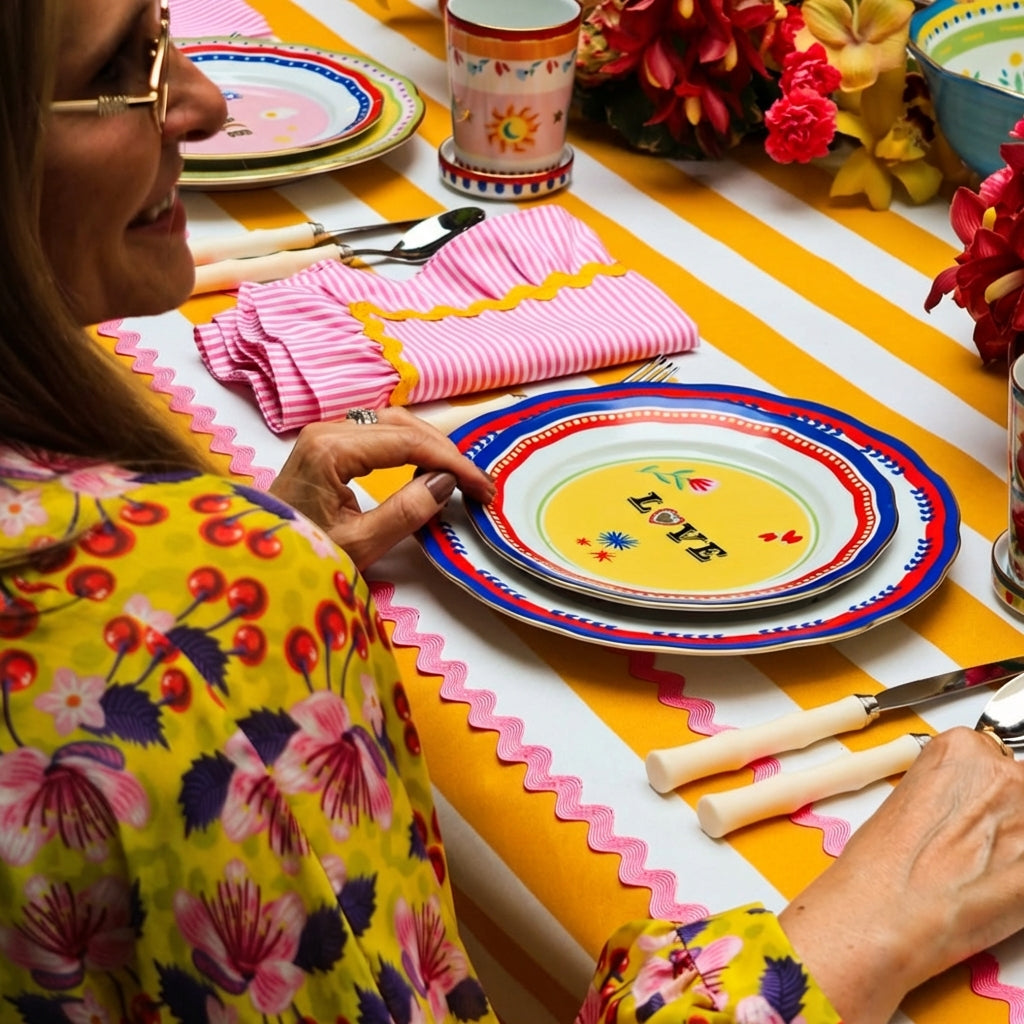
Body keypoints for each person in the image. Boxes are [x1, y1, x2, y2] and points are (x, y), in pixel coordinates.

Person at [1, 3, 1024, 1024]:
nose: (205, 101)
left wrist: (227, 587)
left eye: (162, 30)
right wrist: (876, 922)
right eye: (121, 69)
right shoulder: (161, 641)